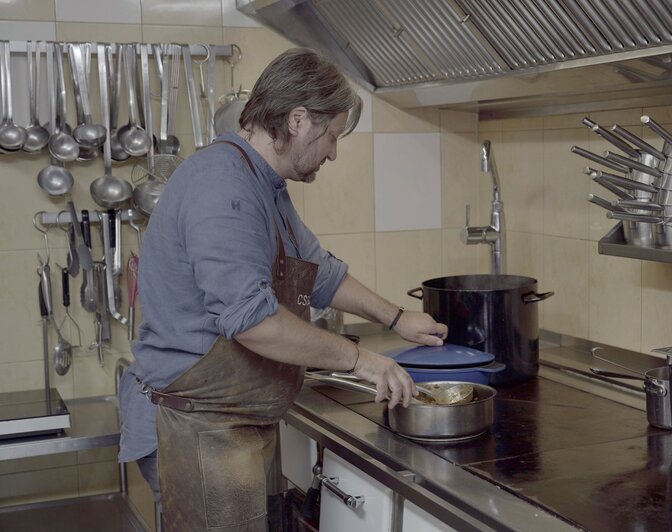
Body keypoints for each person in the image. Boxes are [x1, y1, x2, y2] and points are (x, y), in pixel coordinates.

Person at [117, 47, 448, 532]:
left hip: (228, 420)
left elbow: (318, 272)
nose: (332, 152)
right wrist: (362, 360)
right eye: (331, 135)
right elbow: (252, 322)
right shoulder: (222, 186)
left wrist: (397, 319)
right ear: (298, 120)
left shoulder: (262, 182)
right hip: (196, 427)